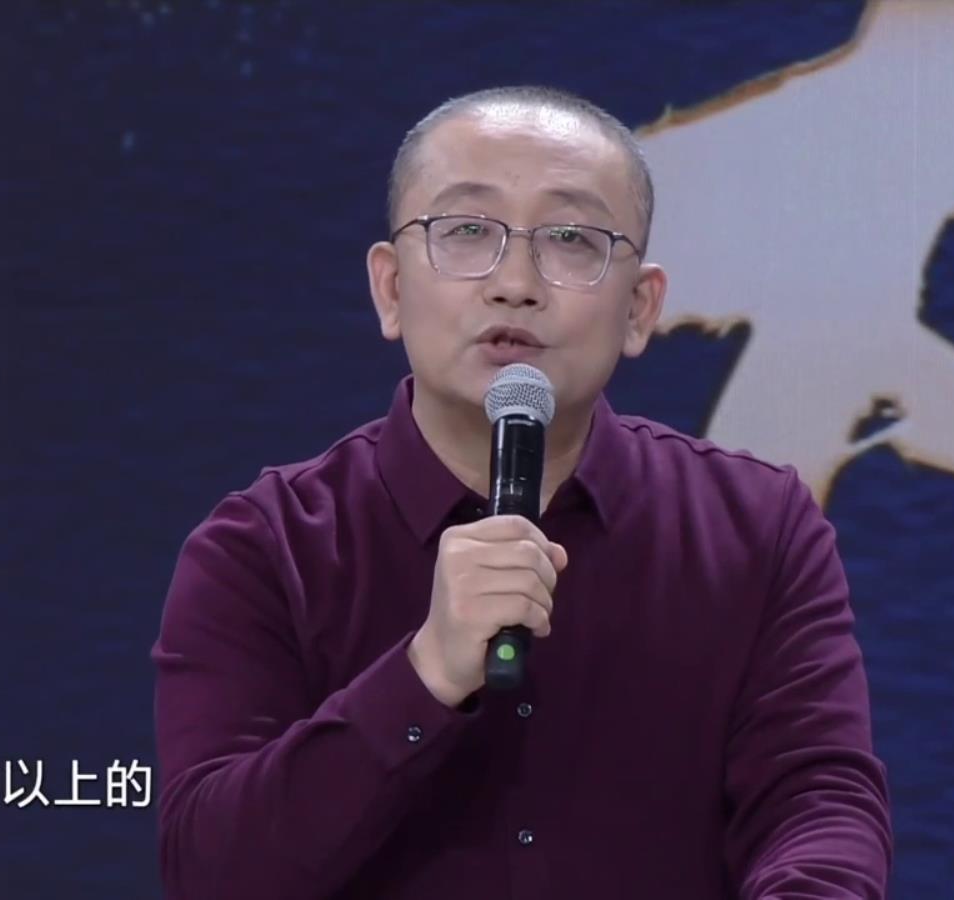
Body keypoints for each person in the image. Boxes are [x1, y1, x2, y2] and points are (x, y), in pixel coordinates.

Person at [151, 84, 893, 899]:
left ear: (640, 309)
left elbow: (817, 805)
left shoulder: (756, 528)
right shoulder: (264, 551)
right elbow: (212, 872)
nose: (515, 283)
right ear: (391, 289)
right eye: (468, 230)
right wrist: (425, 673)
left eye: (571, 239)